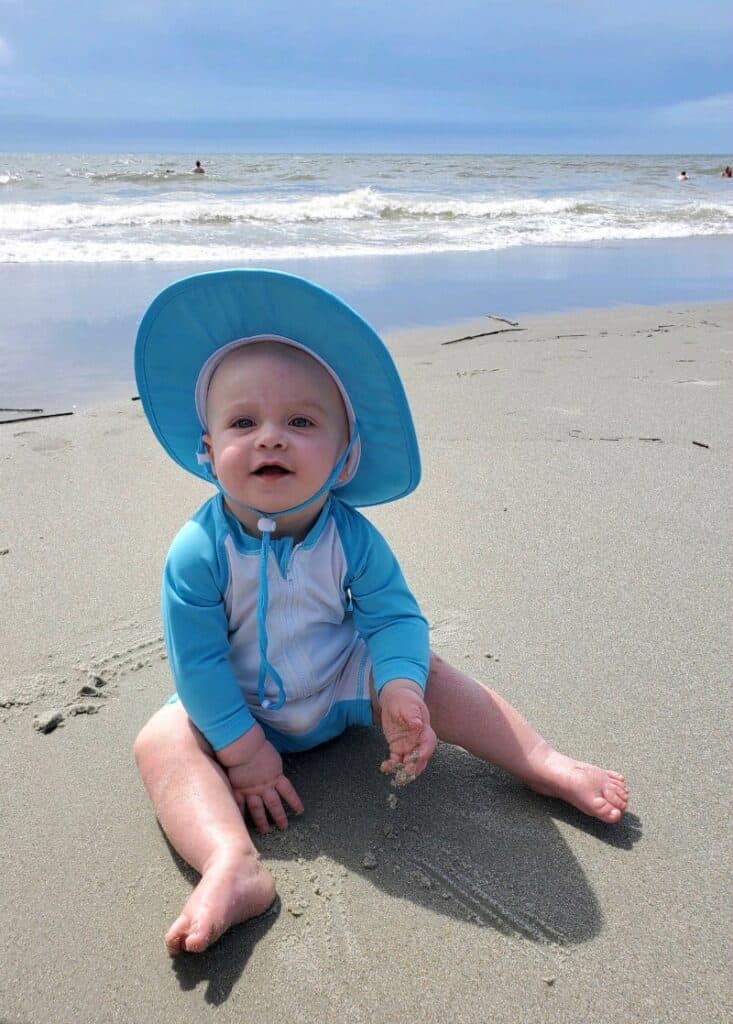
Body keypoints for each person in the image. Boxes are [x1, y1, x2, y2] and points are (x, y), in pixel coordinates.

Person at [133, 270, 629, 955]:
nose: (270, 438)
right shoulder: (198, 551)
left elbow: (393, 620)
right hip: (235, 711)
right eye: (243, 422)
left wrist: (396, 685)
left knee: (432, 674)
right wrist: (244, 753)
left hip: (343, 690)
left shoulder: (353, 538)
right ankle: (230, 862)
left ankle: (539, 760)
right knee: (159, 742)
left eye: (300, 422)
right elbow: (198, 661)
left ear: (344, 460)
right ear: (208, 452)